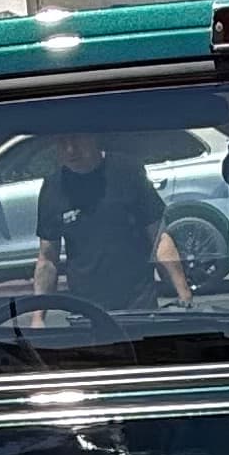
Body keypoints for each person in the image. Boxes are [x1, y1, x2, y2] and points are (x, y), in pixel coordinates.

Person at [31, 130, 192, 324]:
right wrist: (38, 316)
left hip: (138, 304)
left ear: (93, 137)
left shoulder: (127, 171)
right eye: (62, 142)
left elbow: (159, 239)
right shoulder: (54, 187)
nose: (70, 149)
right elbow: (48, 258)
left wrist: (184, 296)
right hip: (87, 310)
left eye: (76, 139)